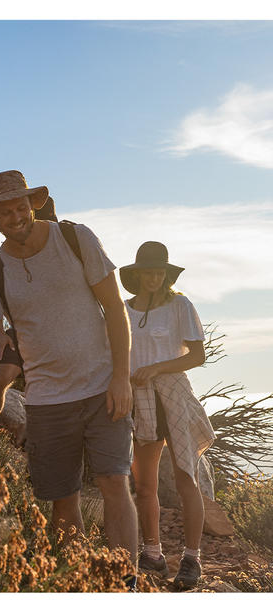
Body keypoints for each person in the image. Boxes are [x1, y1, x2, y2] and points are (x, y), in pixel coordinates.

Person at [0, 170, 138, 567]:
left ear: (32, 204)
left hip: (103, 389)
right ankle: (76, 582)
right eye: (5, 212)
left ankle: (128, 585)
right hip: (47, 402)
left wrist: (121, 377)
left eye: (20, 207)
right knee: (63, 500)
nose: (15, 217)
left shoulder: (75, 239)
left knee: (114, 484)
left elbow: (115, 309)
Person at [119, 241, 215, 590]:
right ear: (137, 274)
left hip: (173, 394)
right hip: (139, 398)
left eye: (160, 271)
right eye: (148, 271)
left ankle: (192, 558)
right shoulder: (124, 311)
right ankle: (153, 554)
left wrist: (156, 368)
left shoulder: (180, 306)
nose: (154, 277)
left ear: (166, 273)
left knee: (185, 477)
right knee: (144, 484)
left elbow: (197, 355)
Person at [0, 196, 58, 442]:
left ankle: (27, 446)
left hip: (60, 335)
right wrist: (1, 332)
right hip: (21, 332)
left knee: (48, 400)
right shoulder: (6, 260)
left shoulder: (64, 253)